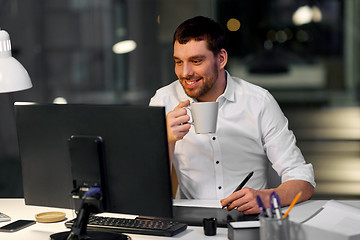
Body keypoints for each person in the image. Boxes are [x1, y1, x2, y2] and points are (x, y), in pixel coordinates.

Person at [149, 16, 315, 214]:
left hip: (251, 217)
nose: (185, 72)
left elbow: (302, 179)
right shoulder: (163, 101)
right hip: (190, 221)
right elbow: (146, 189)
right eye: (178, 62)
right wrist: (166, 140)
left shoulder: (258, 101)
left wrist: (268, 198)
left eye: (196, 61)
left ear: (221, 59)